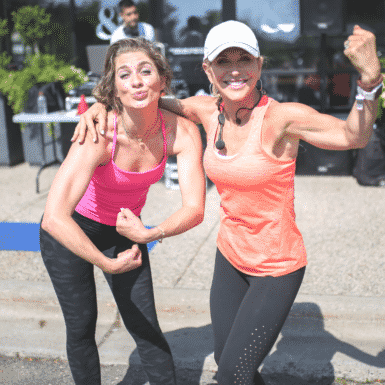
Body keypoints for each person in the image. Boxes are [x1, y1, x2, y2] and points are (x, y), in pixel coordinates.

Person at [72, 20, 383, 385]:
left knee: (233, 373)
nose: (235, 70)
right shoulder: (205, 110)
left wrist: (370, 80)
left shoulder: (282, 118)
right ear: (208, 69)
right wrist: (102, 106)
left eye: (244, 60)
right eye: (223, 61)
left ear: (259, 65)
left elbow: (354, 136)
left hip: (276, 266)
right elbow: (146, 99)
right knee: (228, 359)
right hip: (231, 256)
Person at [40, 37, 205, 385]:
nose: (137, 80)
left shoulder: (182, 132)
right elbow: (54, 217)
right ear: (114, 89)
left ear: (162, 80)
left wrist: (152, 233)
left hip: (125, 231)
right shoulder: (98, 134)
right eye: (125, 74)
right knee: (82, 323)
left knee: (145, 326)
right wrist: (104, 263)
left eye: (146, 71)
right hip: (71, 231)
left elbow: (194, 208)